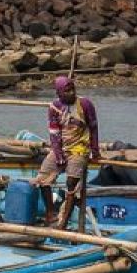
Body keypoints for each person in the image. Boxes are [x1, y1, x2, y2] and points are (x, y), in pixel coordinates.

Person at [35, 76, 100, 228]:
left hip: (79, 148)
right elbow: (54, 133)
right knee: (43, 179)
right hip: (61, 147)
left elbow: (93, 128)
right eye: (67, 91)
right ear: (59, 93)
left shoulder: (85, 104)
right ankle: (50, 214)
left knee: (72, 182)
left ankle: (63, 220)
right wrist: (58, 154)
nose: (71, 93)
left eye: (73, 90)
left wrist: (95, 151)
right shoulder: (54, 107)